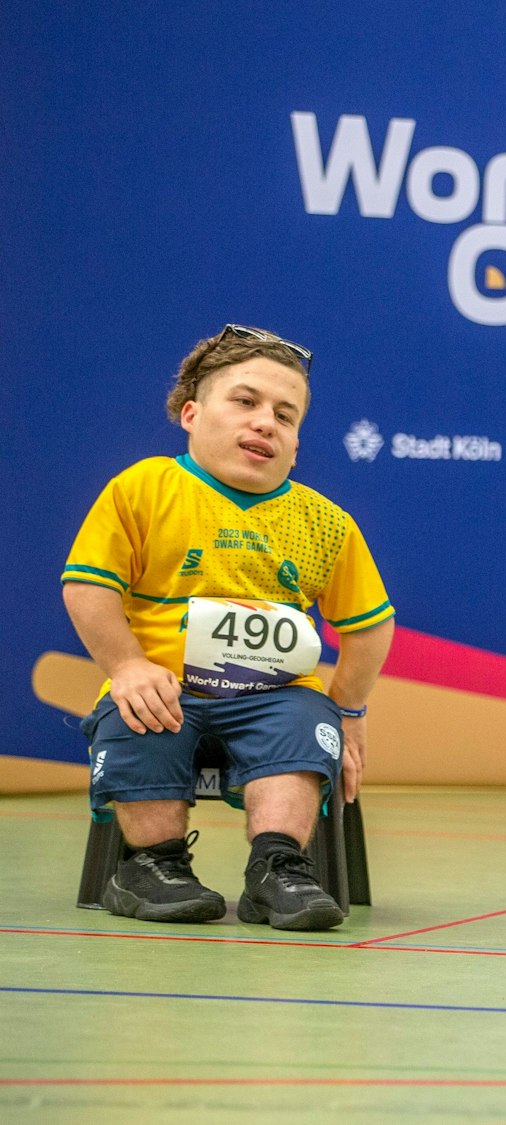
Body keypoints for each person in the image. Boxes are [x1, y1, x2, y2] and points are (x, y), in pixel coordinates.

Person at [62, 325, 395, 932]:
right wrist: (127, 667)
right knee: (138, 713)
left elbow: (371, 627)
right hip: (163, 689)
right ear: (191, 414)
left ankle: (279, 869)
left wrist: (348, 711)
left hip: (273, 699)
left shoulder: (327, 523)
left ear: (296, 444)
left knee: (305, 720)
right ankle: (152, 866)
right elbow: (89, 586)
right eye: (245, 402)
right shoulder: (142, 488)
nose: (266, 422)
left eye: (285, 416)